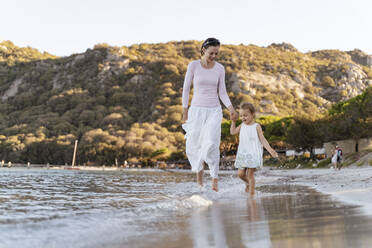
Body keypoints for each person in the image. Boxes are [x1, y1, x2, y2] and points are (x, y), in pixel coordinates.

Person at [182, 38, 238, 192]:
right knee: (195, 145)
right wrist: (184, 110)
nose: (214, 56)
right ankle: (200, 184)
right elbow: (186, 89)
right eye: (211, 53)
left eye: (216, 53)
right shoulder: (193, 65)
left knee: (212, 143)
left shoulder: (220, 68)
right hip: (196, 111)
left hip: (214, 110)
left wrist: (230, 108)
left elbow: (222, 92)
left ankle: (214, 181)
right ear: (203, 50)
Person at [230, 102, 278, 196]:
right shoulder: (242, 125)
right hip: (243, 153)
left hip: (254, 153)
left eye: (245, 115)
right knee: (240, 174)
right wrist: (233, 122)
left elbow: (262, 139)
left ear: (252, 114)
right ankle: (249, 184)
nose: (243, 118)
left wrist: (270, 150)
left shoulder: (256, 126)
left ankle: (251, 195)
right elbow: (233, 132)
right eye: (241, 116)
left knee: (250, 174)